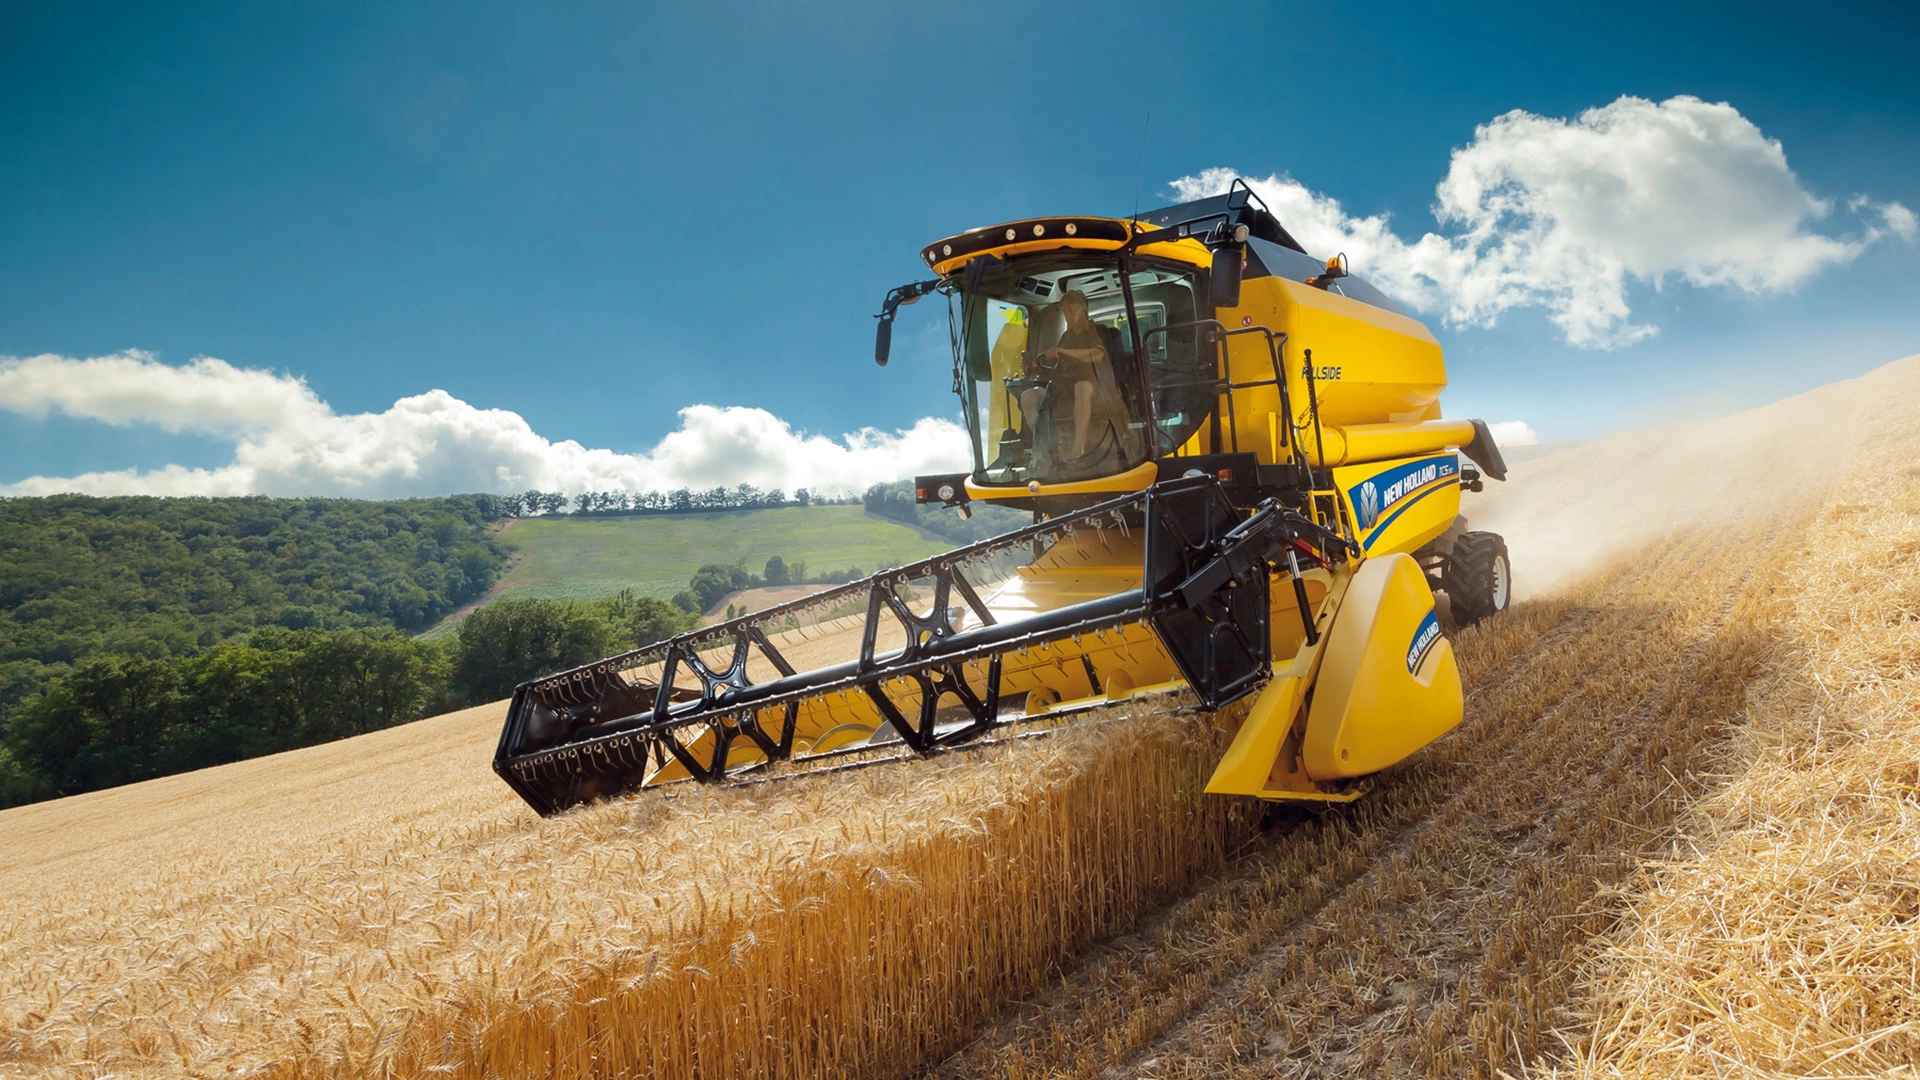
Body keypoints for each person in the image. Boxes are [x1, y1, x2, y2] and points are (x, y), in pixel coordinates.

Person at [1020, 289, 1110, 461]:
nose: (1068, 315)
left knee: (1081, 386)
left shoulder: (1099, 331)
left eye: (1072, 310)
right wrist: (1034, 369)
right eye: (1065, 311)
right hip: (1065, 387)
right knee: (1028, 396)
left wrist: (1062, 351)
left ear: (1083, 311)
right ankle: (1046, 451)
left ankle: (1078, 448)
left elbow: (1098, 355)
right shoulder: (1066, 336)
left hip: (1098, 386)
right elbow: (1059, 370)